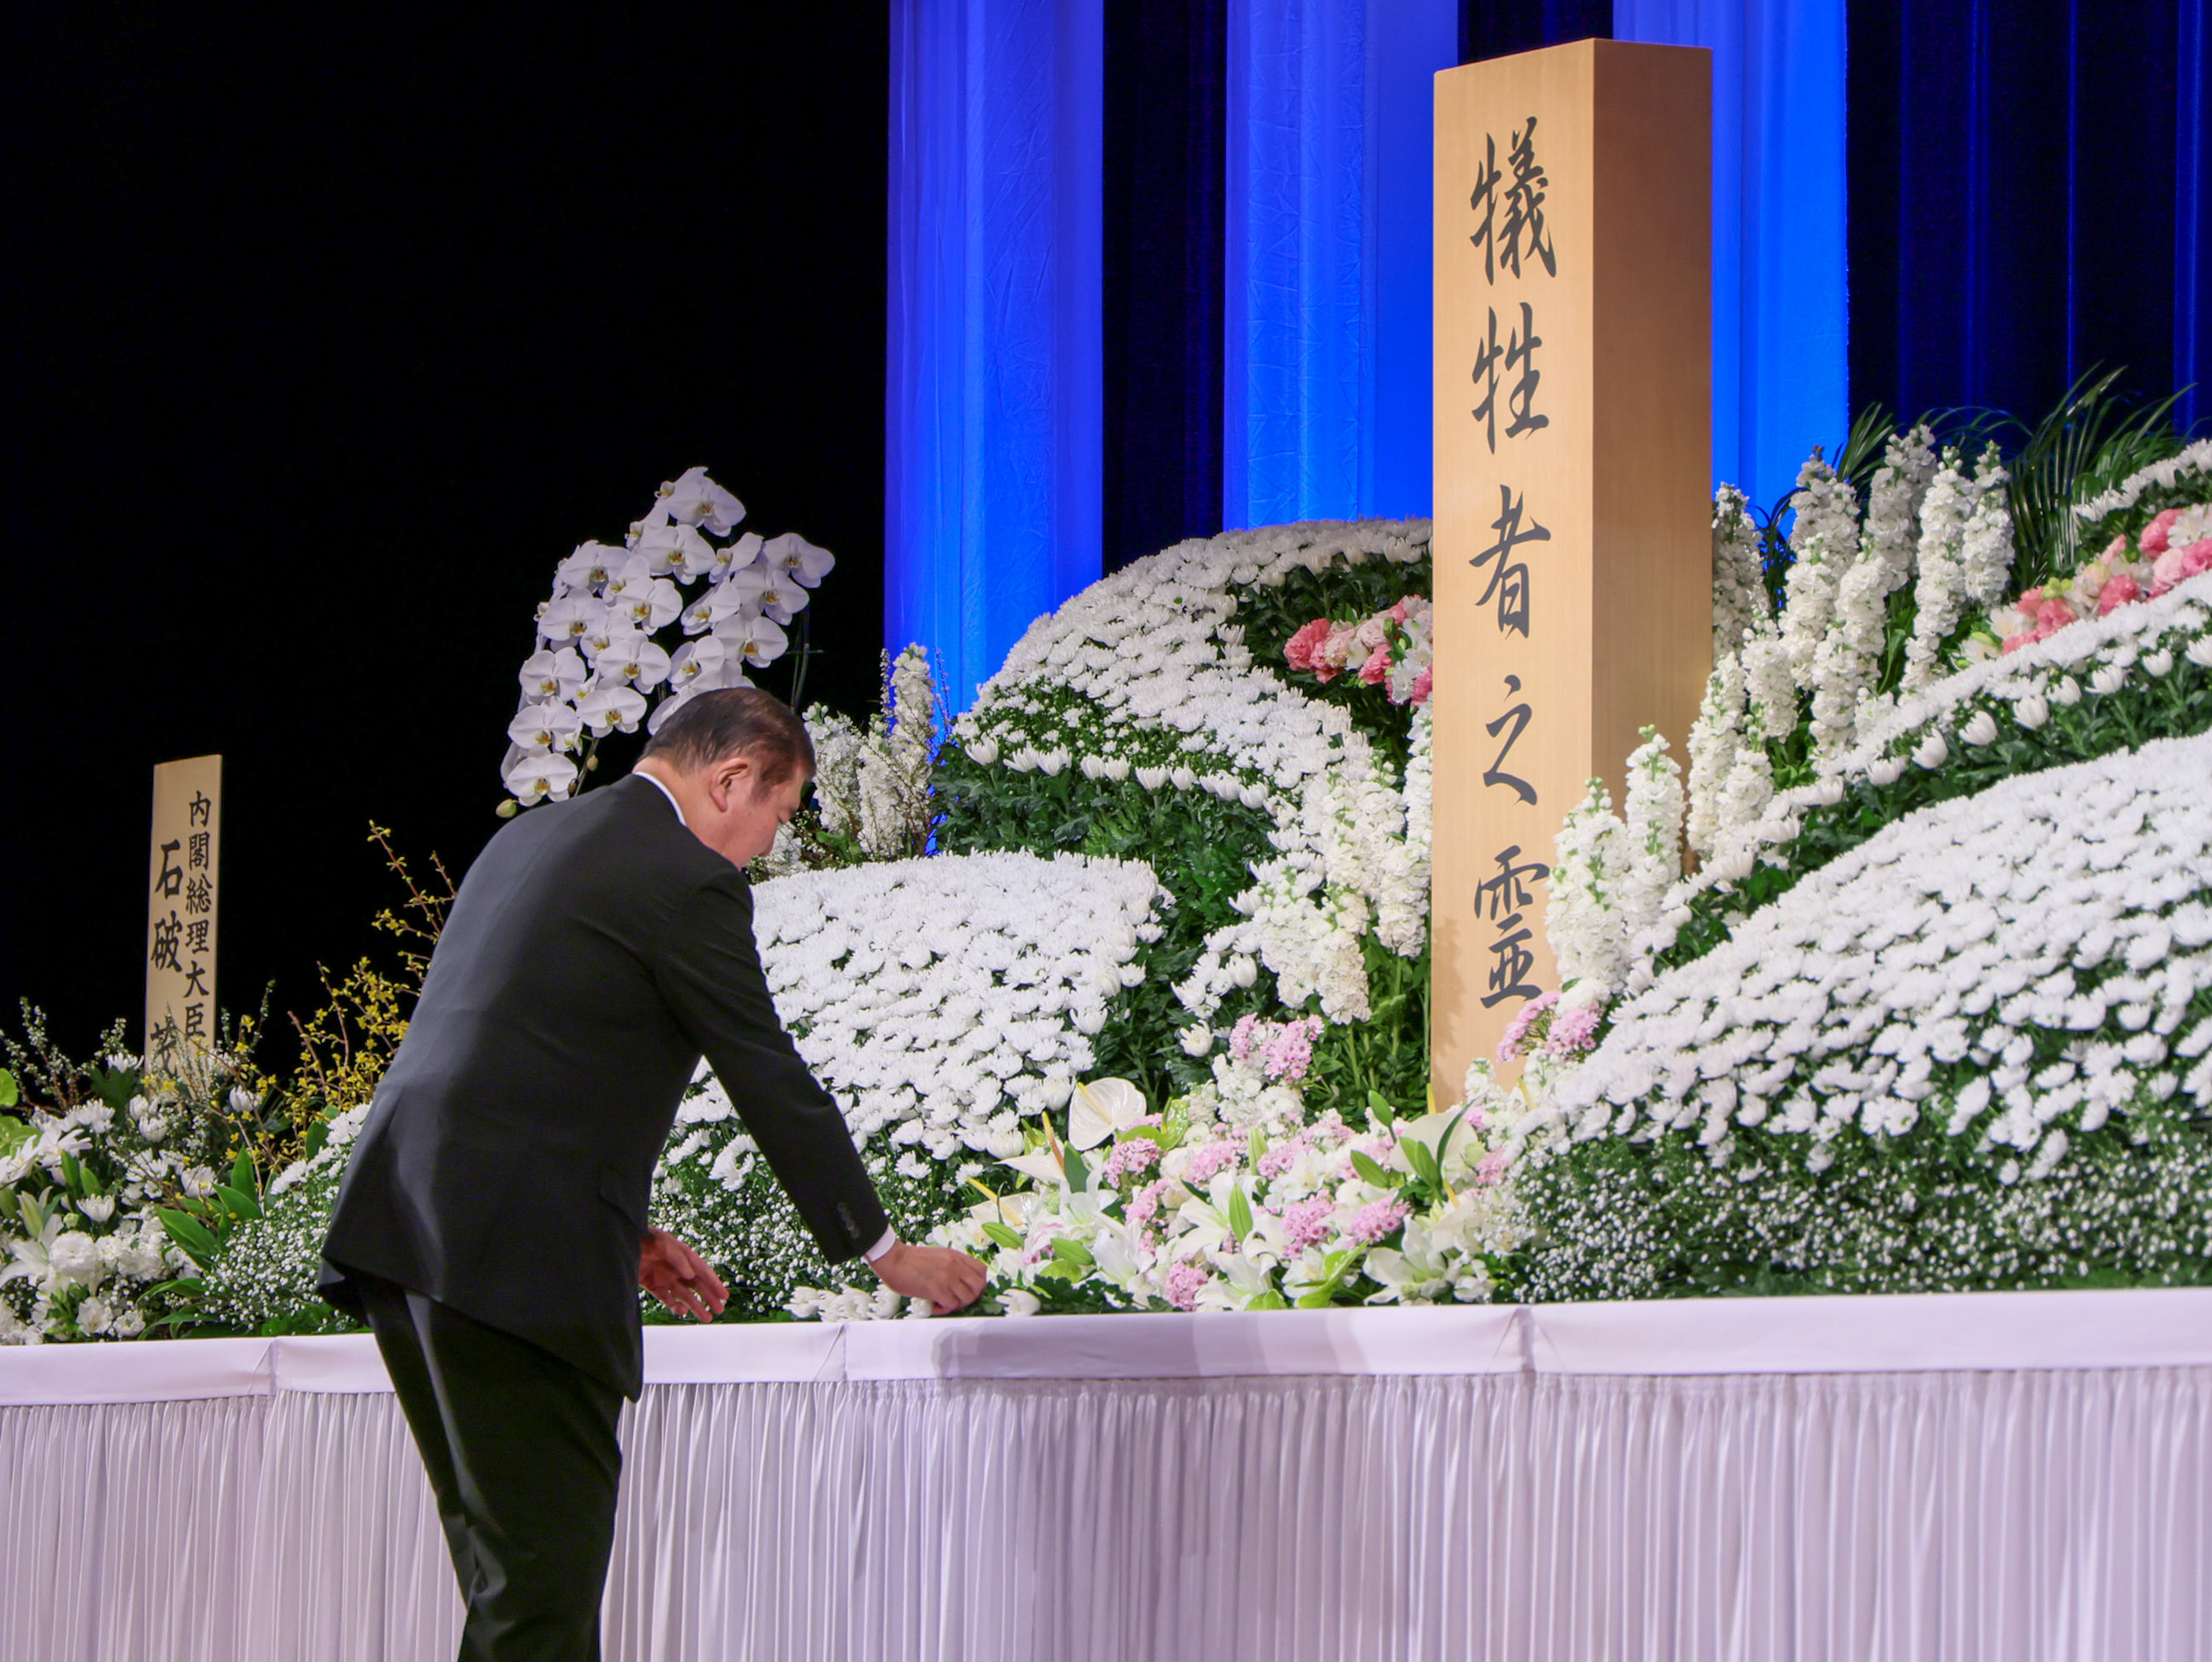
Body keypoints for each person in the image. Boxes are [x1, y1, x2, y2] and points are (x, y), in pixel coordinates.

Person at [318, 686, 987, 1661]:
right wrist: (885, 1252)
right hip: (507, 1254)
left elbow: (513, 1045)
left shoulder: (528, 839)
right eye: (779, 814)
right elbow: (767, 1076)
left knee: (510, 1585)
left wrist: (622, 1232)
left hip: (403, 1227)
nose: (767, 845)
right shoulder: (684, 878)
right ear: (731, 780)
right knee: (541, 1595)